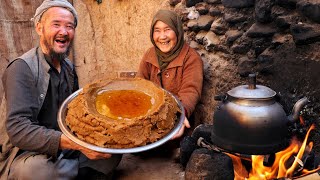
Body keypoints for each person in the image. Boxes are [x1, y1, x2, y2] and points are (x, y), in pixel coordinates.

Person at [0, 0, 121, 179]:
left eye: (70, 26)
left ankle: (68, 171)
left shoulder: (69, 68)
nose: (64, 32)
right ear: (39, 28)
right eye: (56, 24)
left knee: (114, 148)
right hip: (29, 153)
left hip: (68, 147)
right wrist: (77, 145)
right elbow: (19, 130)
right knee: (35, 171)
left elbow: (78, 113)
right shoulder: (22, 68)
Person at [136, 9, 203, 140]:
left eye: (167, 29)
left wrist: (180, 114)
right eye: (157, 30)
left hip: (178, 131)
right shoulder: (149, 55)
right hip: (149, 126)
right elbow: (139, 85)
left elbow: (191, 91)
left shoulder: (191, 58)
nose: (162, 36)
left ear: (177, 31)